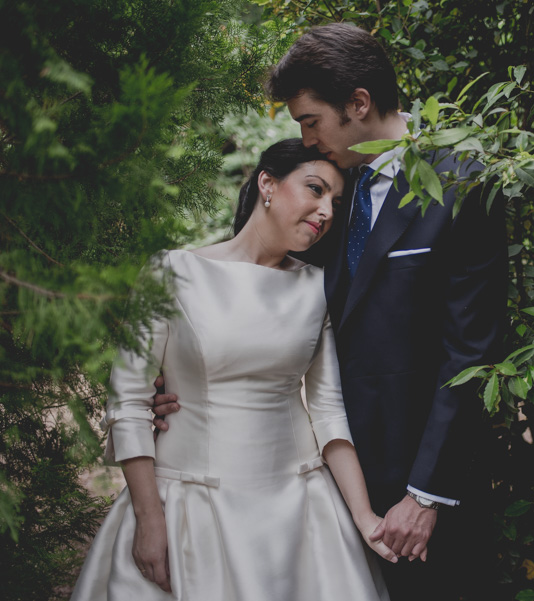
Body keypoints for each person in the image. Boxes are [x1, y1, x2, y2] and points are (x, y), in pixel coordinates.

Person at [154, 22, 507, 601]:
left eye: (310, 120)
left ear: (358, 104)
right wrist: (178, 377)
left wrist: (425, 495)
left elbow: (472, 355)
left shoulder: (464, 184)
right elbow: (253, 293)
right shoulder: (316, 188)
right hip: (306, 482)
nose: (307, 138)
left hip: (411, 494)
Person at [71, 139, 394, 601]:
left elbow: (328, 412)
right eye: (315, 189)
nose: (325, 210)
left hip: (299, 512)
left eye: (335, 203)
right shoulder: (172, 272)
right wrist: (150, 519)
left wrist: (365, 520)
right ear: (268, 183)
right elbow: (129, 401)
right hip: (187, 508)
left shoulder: (318, 288)